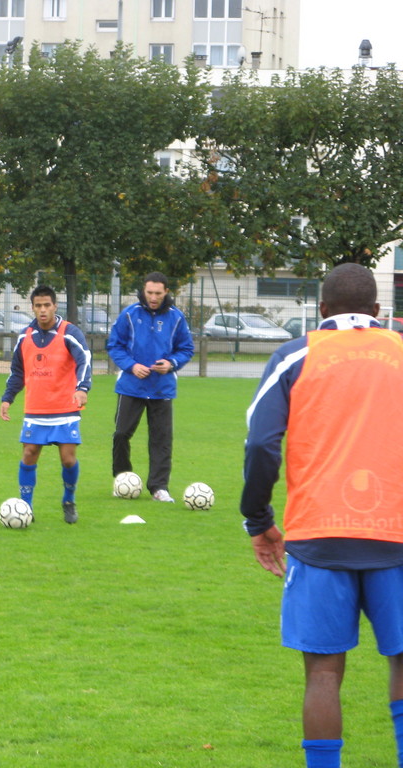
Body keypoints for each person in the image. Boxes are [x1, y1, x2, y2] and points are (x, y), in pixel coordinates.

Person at [242, 263, 403, 768]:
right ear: (379, 312)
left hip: (318, 537)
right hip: (397, 535)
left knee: (324, 675)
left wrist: (258, 519)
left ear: (321, 310)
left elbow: (261, 443)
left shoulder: (295, 355)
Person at [0, 285, 91, 524]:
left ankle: (69, 500)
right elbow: (17, 371)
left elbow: (84, 361)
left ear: (55, 306)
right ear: (32, 307)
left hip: (65, 407)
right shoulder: (25, 336)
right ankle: (25, 507)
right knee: (29, 454)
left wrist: (82, 389)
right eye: (38, 306)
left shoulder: (70, 332)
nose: (42, 310)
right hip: (36, 409)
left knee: (68, 459)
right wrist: (8, 398)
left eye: (47, 305)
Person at [106, 271, 194, 502]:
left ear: (166, 292)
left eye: (158, 293)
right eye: (149, 292)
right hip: (130, 387)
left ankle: (159, 487)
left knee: (161, 439)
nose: (153, 297)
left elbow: (186, 349)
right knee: (121, 434)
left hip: (162, 388)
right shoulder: (129, 315)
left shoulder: (176, 318)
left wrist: (171, 363)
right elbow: (115, 345)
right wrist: (132, 366)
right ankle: (122, 479)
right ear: (143, 291)